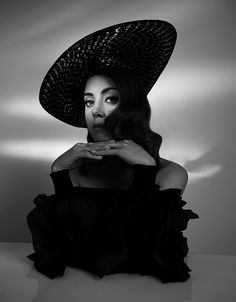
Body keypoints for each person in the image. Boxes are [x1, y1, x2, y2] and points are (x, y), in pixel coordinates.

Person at [26, 19, 199, 283]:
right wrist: (58, 172)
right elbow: (62, 251)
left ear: (132, 107)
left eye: (111, 99)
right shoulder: (74, 174)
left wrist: (144, 172)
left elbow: (145, 253)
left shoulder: (170, 175)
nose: (96, 111)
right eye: (88, 101)